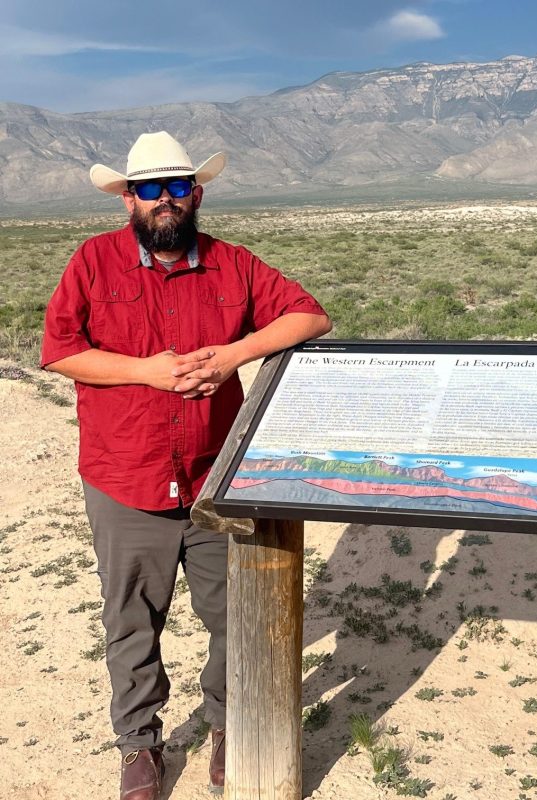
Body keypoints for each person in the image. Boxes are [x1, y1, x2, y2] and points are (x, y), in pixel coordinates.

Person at [40, 131, 332, 800]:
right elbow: (58, 351)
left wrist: (236, 354)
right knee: (132, 619)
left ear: (195, 194)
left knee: (231, 613)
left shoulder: (231, 265)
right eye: (151, 189)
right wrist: (145, 371)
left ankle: (228, 723)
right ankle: (139, 747)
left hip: (212, 477)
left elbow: (310, 317)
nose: (165, 200)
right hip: (125, 476)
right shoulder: (92, 263)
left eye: (177, 187)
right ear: (128, 200)